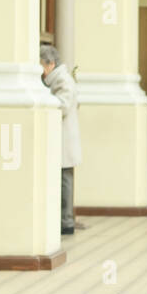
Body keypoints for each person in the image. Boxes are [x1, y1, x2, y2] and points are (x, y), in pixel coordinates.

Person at [40, 45, 82, 236]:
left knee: (64, 180)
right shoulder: (57, 79)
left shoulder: (62, 80)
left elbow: (62, 106)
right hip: (62, 138)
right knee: (62, 179)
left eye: (41, 65)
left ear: (51, 64)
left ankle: (66, 222)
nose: (40, 70)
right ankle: (63, 220)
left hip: (64, 139)